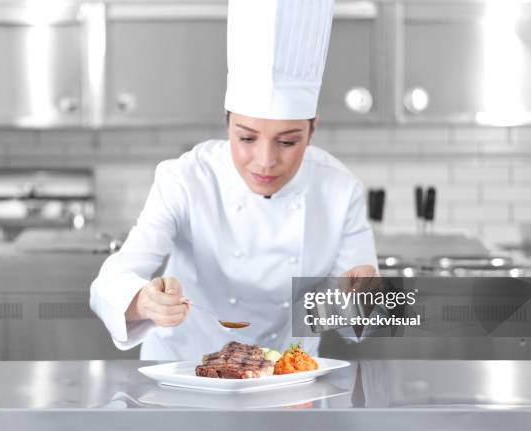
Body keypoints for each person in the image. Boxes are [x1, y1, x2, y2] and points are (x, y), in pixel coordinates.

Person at [90, 0, 378, 360]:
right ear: (227, 122)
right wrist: (143, 301)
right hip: (185, 376)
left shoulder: (339, 190)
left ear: (313, 128)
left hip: (287, 383)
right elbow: (112, 279)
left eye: (288, 141)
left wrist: (365, 297)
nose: (266, 160)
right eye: (246, 137)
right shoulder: (186, 178)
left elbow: (357, 323)